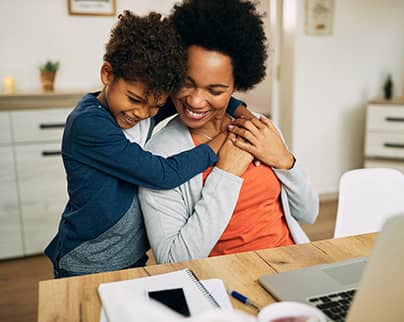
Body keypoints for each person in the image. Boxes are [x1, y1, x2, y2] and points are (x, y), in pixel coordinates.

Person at [45, 10, 251, 278]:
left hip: (132, 258)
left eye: (155, 106)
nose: (142, 113)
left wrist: (242, 113)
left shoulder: (147, 99)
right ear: (107, 73)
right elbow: (162, 174)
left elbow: (193, 101)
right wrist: (221, 142)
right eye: (134, 99)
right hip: (87, 261)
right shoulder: (88, 125)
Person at [139, 0, 319, 264]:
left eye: (215, 90)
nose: (196, 101)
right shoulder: (160, 156)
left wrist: (285, 162)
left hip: (294, 265)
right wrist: (226, 173)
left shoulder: (259, 129)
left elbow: (309, 213)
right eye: (186, 83)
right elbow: (171, 259)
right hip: (229, 284)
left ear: (237, 86)